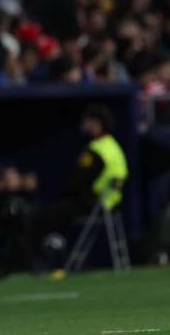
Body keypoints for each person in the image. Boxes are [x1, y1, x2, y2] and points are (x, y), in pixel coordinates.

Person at [26, 105, 128, 258]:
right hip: (111, 205)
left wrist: (63, 193)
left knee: (40, 218)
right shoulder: (113, 146)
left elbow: (77, 182)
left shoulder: (95, 149)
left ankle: (32, 261)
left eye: (85, 122)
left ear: (95, 123)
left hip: (94, 204)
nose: (82, 126)